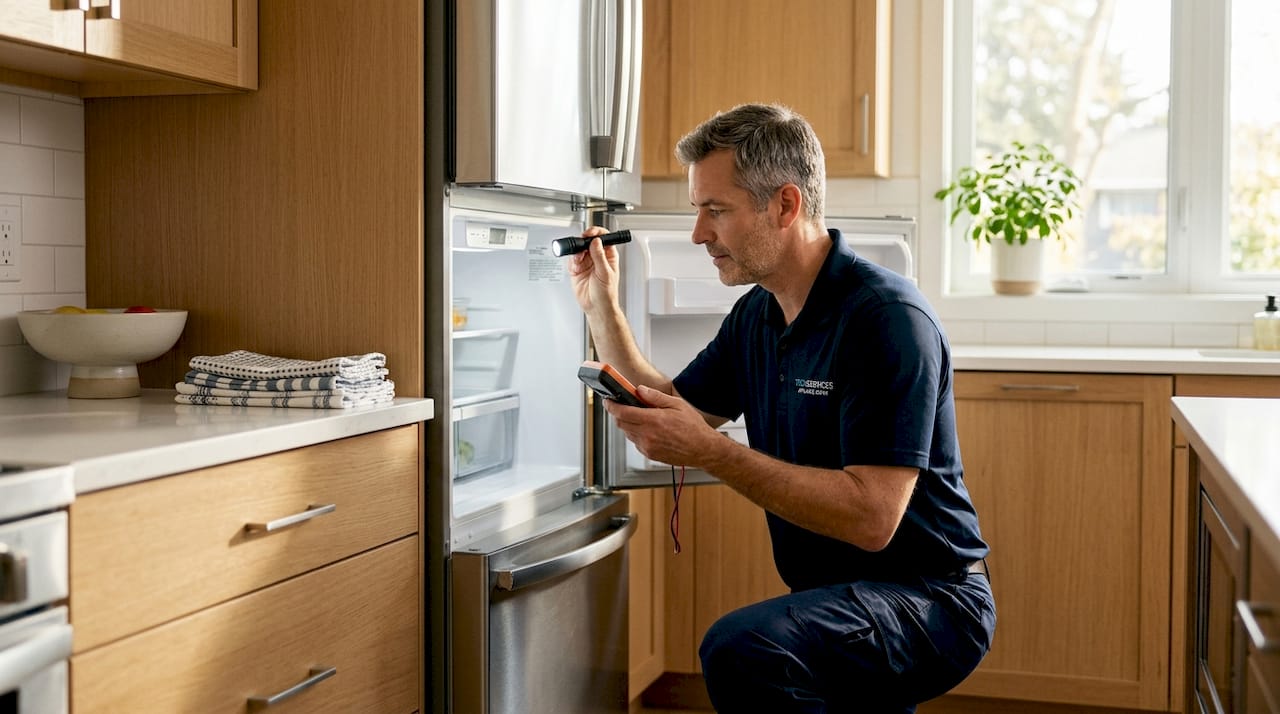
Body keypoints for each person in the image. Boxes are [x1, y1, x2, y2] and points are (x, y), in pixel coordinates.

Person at [568, 103, 995, 713]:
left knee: (744, 649)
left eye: (716, 211)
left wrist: (713, 453)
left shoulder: (885, 320)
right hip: (843, 596)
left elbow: (873, 519)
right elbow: (671, 409)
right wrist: (599, 305)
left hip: (933, 599)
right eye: (697, 211)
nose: (698, 234)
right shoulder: (758, 314)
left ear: (785, 205)